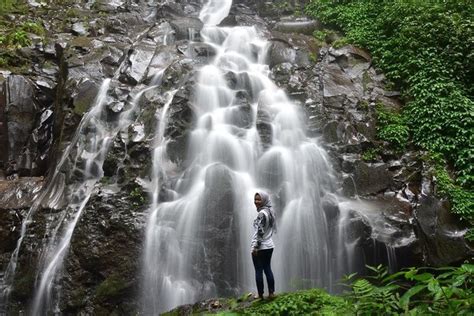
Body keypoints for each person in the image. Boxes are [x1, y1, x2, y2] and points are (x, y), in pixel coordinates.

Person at [251, 191, 276, 299]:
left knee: (258, 270)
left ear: (264, 200)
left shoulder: (262, 214)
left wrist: (256, 247)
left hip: (260, 247)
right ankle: (271, 293)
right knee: (267, 269)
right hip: (269, 245)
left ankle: (260, 295)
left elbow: (260, 232)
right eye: (255, 199)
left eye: (259, 199)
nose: (256, 201)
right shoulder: (270, 211)